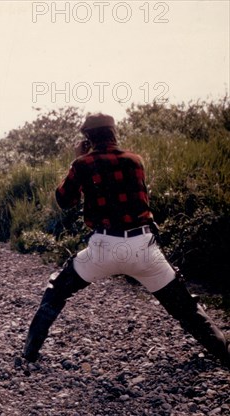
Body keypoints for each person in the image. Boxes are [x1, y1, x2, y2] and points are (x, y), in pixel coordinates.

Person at [22, 113, 230, 368]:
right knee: (185, 307)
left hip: (103, 249)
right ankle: (222, 351)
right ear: (114, 132)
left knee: (57, 291)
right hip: (142, 247)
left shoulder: (82, 164)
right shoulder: (135, 161)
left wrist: (77, 159)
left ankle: (30, 354)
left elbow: (65, 201)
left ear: (87, 137)